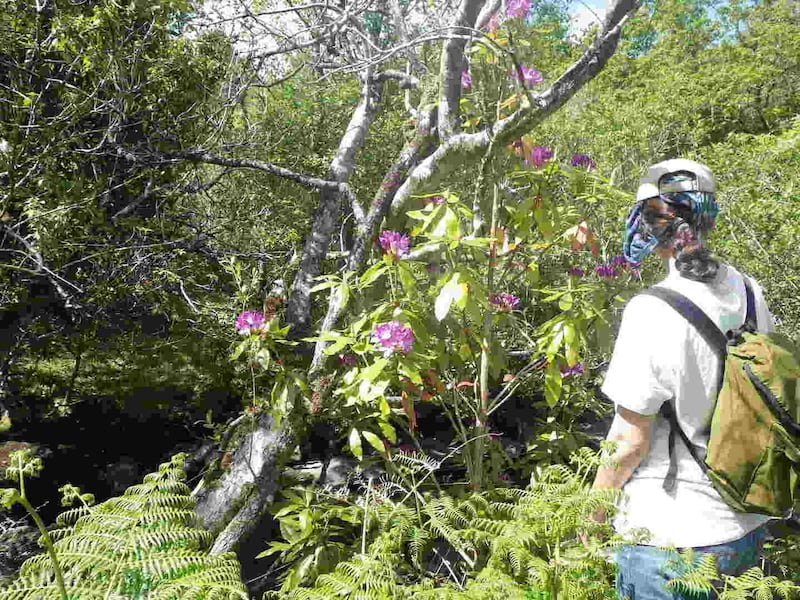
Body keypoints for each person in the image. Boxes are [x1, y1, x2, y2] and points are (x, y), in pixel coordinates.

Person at [590, 159, 775, 599]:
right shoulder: (749, 291)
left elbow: (630, 441)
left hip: (671, 536)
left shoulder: (651, 309)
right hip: (746, 521)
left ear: (652, 225)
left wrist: (588, 518)